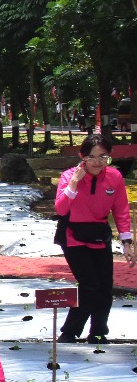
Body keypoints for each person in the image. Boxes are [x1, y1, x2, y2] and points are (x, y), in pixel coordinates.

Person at [54, 135, 136, 343]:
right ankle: (70, 332)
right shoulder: (69, 176)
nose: (97, 162)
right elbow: (61, 208)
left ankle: (98, 332)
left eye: (103, 157)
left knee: (105, 286)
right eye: (91, 157)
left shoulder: (114, 177)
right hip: (72, 235)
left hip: (99, 234)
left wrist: (127, 242)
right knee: (90, 284)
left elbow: (121, 210)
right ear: (82, 156)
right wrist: (74, 183)